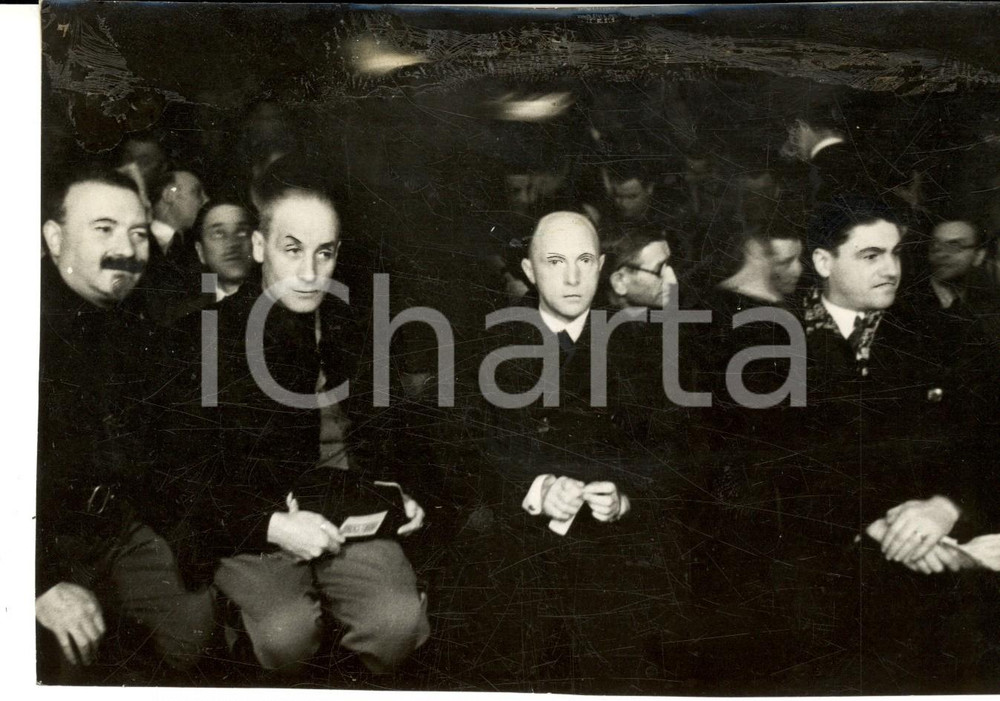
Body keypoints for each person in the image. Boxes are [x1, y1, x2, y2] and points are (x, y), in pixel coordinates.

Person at [157, 169, 429, 679]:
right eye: (292, 249)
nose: (309, 272)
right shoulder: (202, 338)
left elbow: (396, 437)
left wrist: (406, 492)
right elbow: (184, 475)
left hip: (350, 513)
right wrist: (273, 525)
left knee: (395, 626)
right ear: (259, 247)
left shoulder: (356, 329)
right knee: (287, 636)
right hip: (256, 522)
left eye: (324, 253)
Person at [456, 211, 684, 693]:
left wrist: (626, 498)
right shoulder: (487, 345)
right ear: (529, 270)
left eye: (584, 261)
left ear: (601, 266)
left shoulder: (641, 348)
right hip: (516, 551)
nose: (573, 278)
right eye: (555, 262)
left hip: (613, 553)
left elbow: (668, 452)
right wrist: (536, 489)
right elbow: (468, 452)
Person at [36, 166, 215, 683]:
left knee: (194, 630)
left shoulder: (139, 324)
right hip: (40, 546)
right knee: (64, 658)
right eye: (104, 229)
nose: (127, 249)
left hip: (117, 527)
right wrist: (36, 586)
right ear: (54, 238)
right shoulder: (20, 321)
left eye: (138, 233)